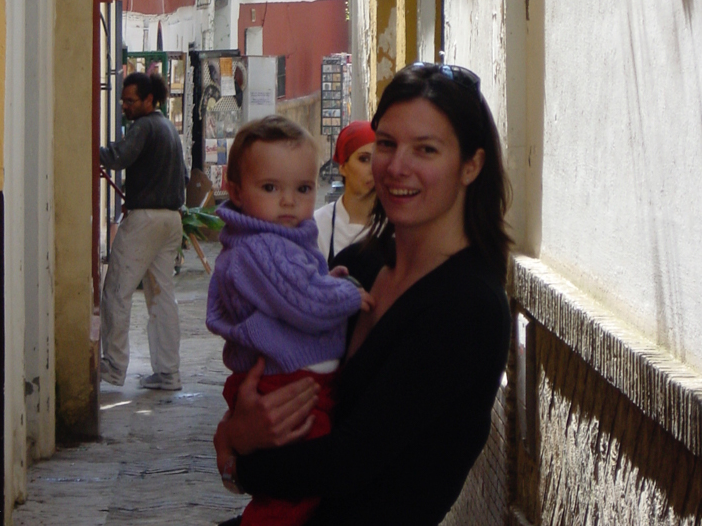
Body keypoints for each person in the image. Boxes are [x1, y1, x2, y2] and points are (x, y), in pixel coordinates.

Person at [213, 63, 512, 526]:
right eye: (386, 144)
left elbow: (349, 463)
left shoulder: (468, 306)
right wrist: (235, 428)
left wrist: (239, 455)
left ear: (471, 165)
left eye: (426, 149)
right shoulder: (362, 262)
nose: (396, 166)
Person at [206, 116, 371, 526]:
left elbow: (299, 291)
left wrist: (322, 284)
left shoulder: (278, 240)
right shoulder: (261, 247)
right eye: (270, 188)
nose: (288, 202)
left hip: (293, 378)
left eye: (303, 189)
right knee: (296, 485)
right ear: (235, 190)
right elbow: (305, 303)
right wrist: (349, 294)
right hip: (288, 382)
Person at [99, 71, 188, 391]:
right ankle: (168, 372)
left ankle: (112, 365)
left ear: (150, 100)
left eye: (130, 101)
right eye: (123, 100)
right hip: (171, 221)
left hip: (145, 221)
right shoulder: (167, 129)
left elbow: (118, 157)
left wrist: (91, 150)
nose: (125, 106)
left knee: (116, 290)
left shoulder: (145, 126)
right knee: (162, 297)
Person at [314, 121, 375, 266]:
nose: (373, 168)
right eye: (364, 159)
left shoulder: (398, 228)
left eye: (379, 158)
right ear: (343, 167)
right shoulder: (318, 227)